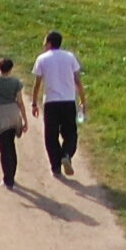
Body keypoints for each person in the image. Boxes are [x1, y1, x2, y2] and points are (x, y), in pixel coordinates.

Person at [32, 30, 86, 180]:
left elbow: (37, 84)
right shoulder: (70, 57)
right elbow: (78, 81)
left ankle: (55, 167)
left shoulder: (42, 59)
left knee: (51, 135)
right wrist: (82, 100)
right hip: (68, 101)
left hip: (50, 102)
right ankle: (66, 154)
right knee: (70, 133)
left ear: (49, 43)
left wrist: (34, 103)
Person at [0, 55, 28, 191]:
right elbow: (20, 102)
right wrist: (25, 120)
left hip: (1, 115)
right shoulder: (16, 82)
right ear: (11, 69)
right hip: (14, 114)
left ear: (0, 67)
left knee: (4, 149)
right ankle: (12, 175)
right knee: (11, 145)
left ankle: (7, 179)